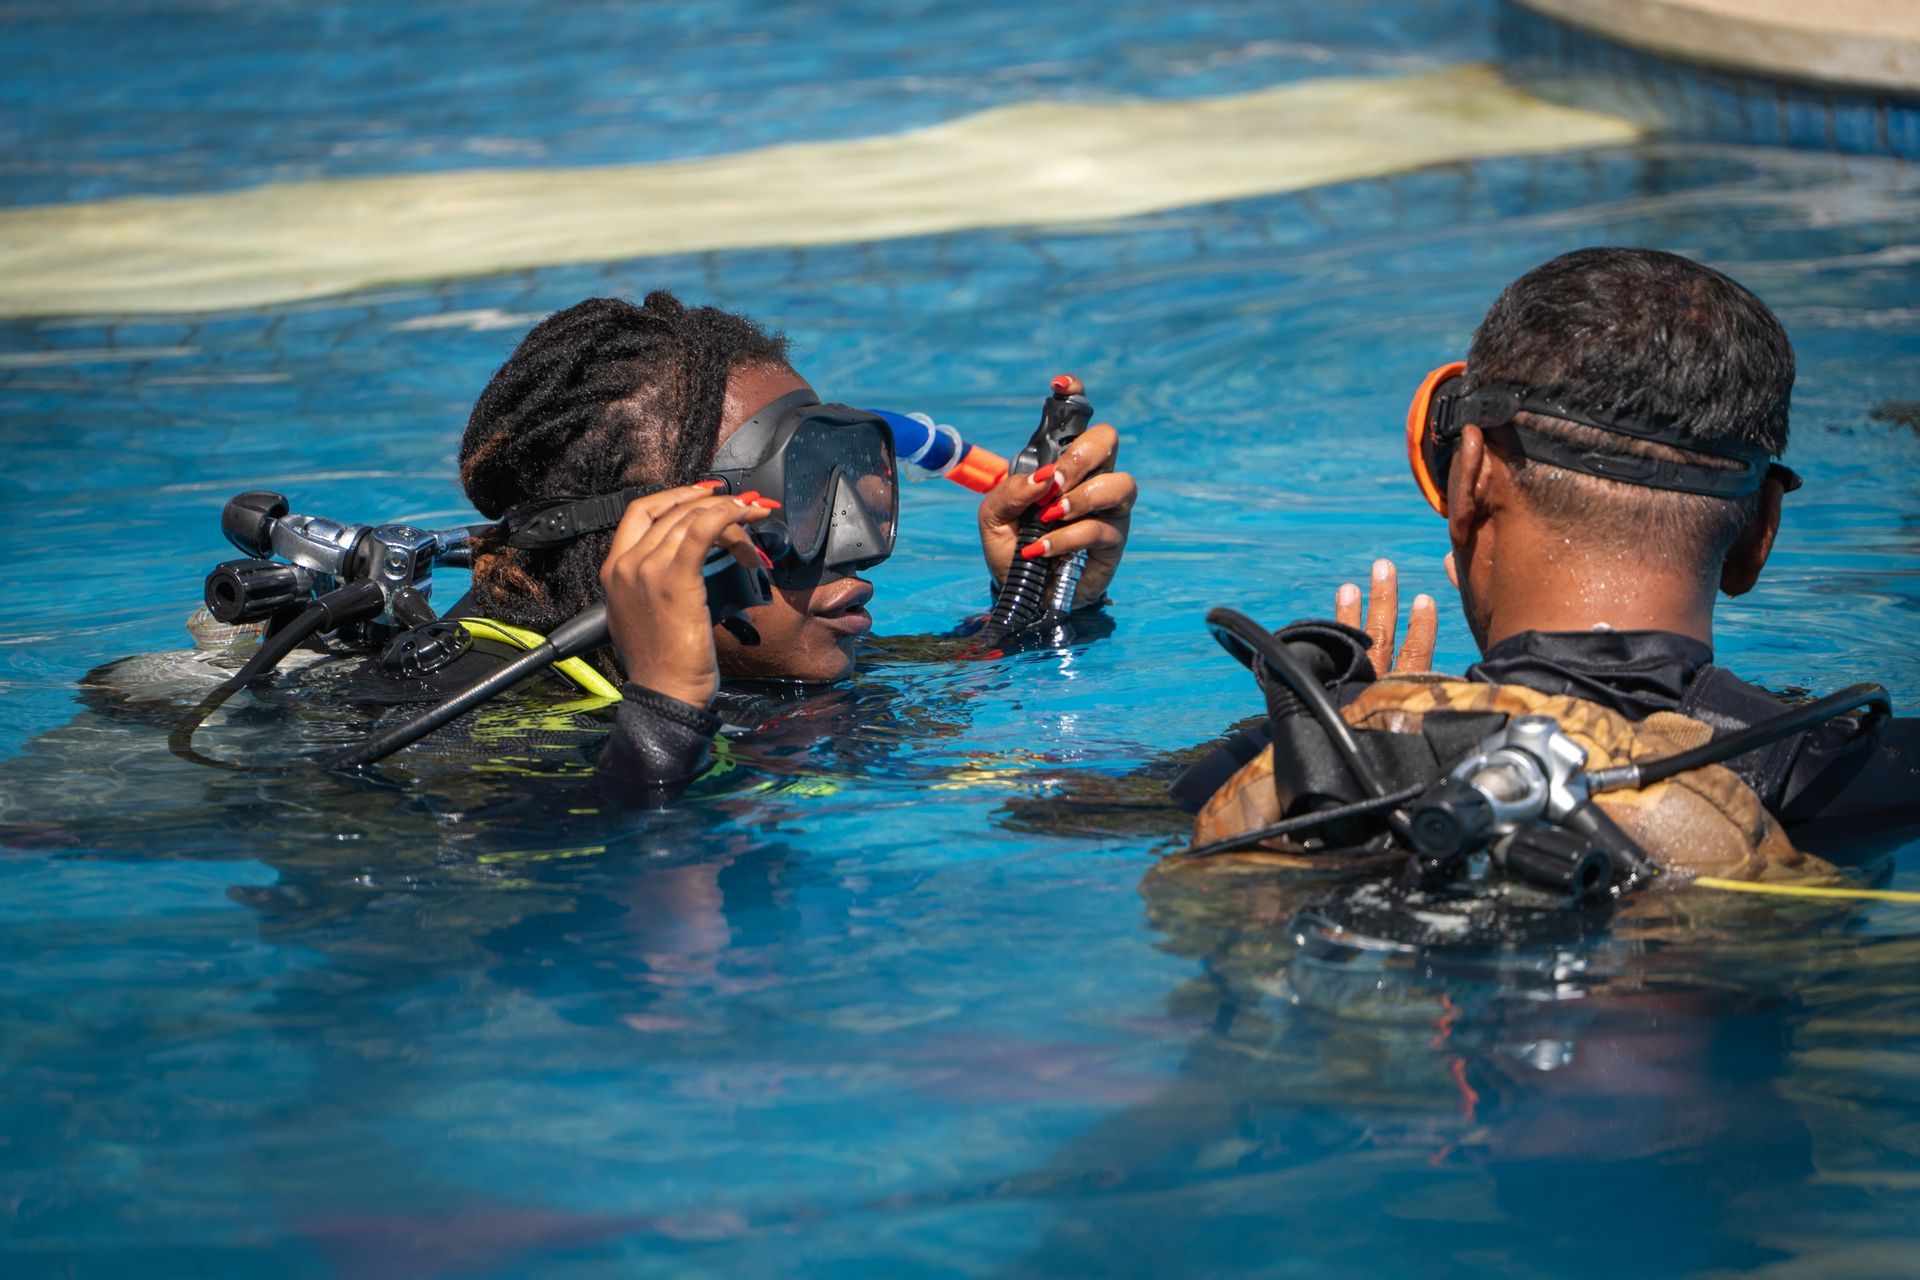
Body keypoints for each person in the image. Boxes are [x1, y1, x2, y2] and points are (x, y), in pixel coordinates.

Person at [1173, 247, 1919, 866]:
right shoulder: (1859, 782)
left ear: (1469, 478)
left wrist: (1364, 728)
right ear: (1760, 532)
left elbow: (1064, 811)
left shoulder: (1287, 773)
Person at [442, 291, 1138, 798]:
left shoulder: (767, 675)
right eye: (795, 507)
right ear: (651, 545)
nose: (851, 553)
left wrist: (1046, 590)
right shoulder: (459, 730)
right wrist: (665, 711)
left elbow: (1021, 749)